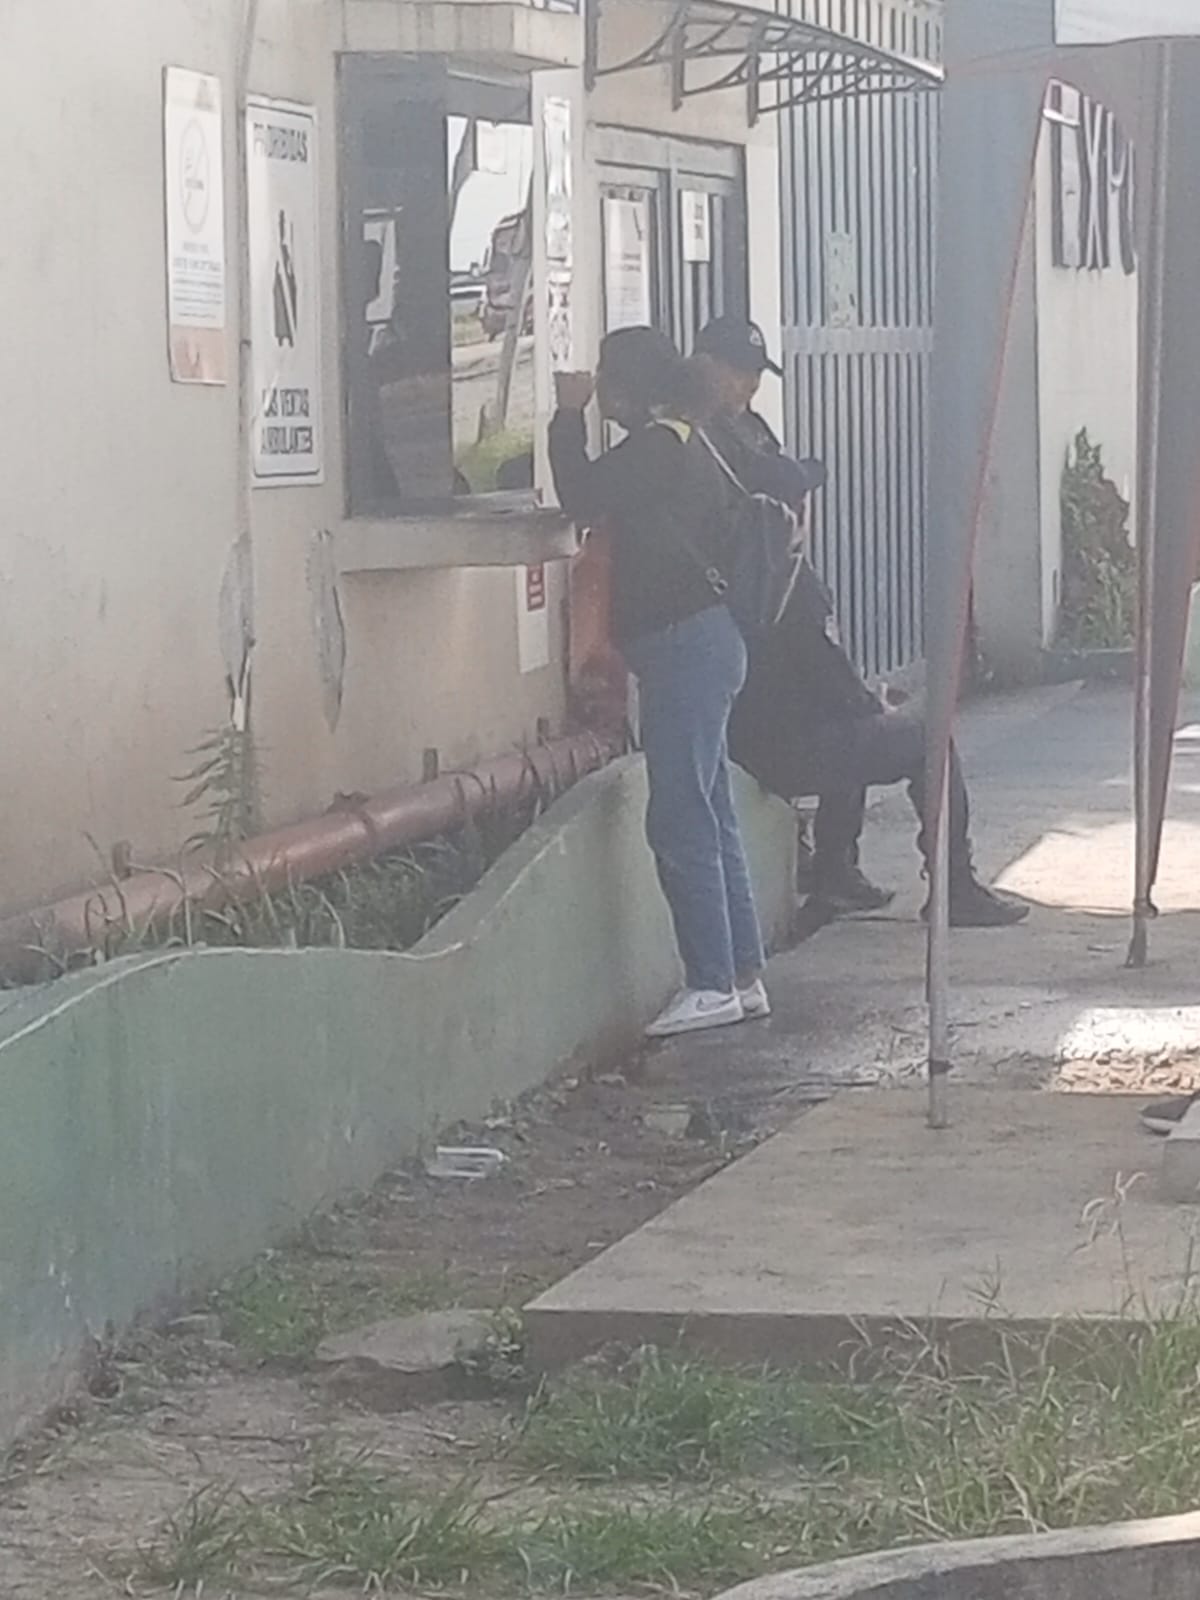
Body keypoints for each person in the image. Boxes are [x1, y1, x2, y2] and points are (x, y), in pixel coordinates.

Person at [693, 315, 1028, 928]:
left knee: (854, 724)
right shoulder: (782, 586)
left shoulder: (743, 576)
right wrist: (870, 701)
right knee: (923, 740)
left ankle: (835, 873)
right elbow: (827, 672)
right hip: (774, 745)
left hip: (759, 730)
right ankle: (954, 885)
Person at [548, 328, 770, 1037]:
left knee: (679, 817)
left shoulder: (656, 449)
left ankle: (710, 982)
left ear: (628, 387)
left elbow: (582, 493)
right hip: (708, 642)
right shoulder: (685, 438)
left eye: (605, 381)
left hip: (684, 648)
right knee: (711, 810)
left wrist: (565, 415)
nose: (601, 394)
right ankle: (742, 974)